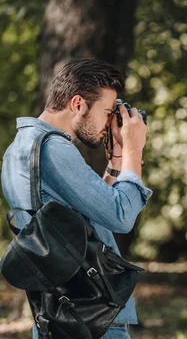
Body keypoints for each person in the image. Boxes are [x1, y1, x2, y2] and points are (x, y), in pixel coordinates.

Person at [1, 59, 152, 339]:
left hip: (57, 309)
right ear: (78, 104)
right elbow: (121, 216)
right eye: (107, 111)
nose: (108, 122)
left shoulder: (20, 148)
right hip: (92, 312)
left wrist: (117, 159)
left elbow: (84, 218)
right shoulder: (54, 150)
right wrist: (134, 150)